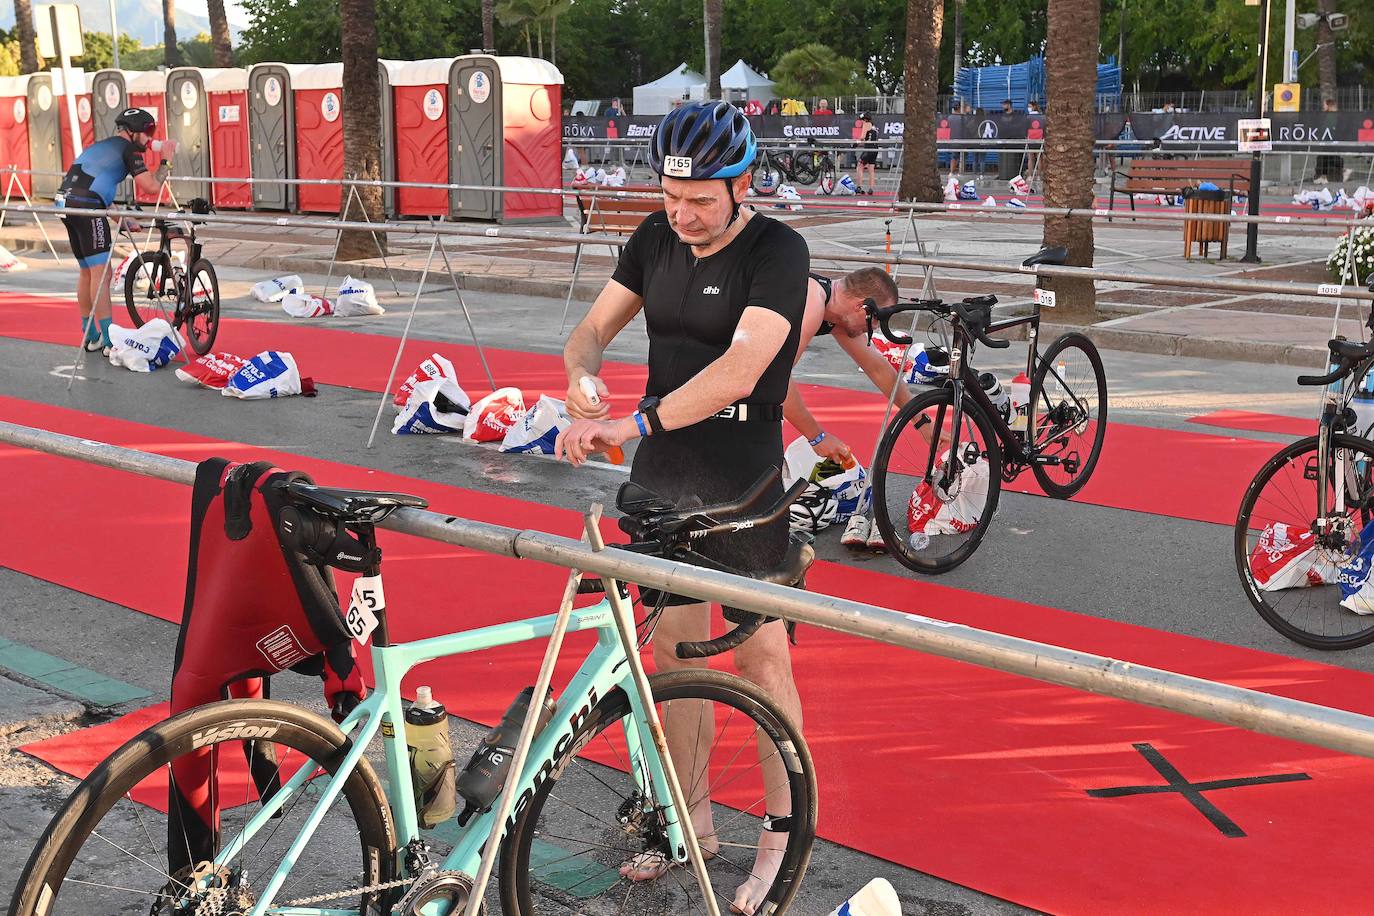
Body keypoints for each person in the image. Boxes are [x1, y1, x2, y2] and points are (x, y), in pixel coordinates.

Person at [554, 100, 809, 914]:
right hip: (667, 471)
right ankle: (692, 822)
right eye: (671, 194)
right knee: (675, 654)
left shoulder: (777, 250)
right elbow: (589, 331)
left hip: (742, 473)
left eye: (701, 198)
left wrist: (630, 421)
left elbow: (743, 369)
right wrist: (582, 378)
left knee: (762, 657)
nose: (682, 212)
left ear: (742, 184)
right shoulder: (654, 238)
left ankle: (782, 833)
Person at [56, 108, 177, 353]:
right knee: (102, 275)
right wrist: (166, 159)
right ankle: (110, 340)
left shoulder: (102, 146)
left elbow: (96, 185)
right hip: (87, 207)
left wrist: (121, 220)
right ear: (133, 132)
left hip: (65, 203)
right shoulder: (129, 149)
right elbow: (152, 187)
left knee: (88, 273)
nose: (150, 138)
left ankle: (90, 335)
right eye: (148, 132)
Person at [784, 267, 910, 467]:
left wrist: (921, 420)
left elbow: (878, 368)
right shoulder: (812, 301)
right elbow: (775, 378)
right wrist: (817, 437)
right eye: (877, 318)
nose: (876, 328)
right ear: (861, 306)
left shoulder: (835, 315)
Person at [855, 112, 879, 195]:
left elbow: (862, 137)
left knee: (859, 166)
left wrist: (856, 143)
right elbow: (869, 138)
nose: (861, 122)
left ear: (865, 119)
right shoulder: (874, 126)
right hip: (875, 149)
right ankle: (871, 188)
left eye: (862, 120)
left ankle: (859, 187)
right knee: (871, 169)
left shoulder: (866, 124)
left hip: (869, 148)